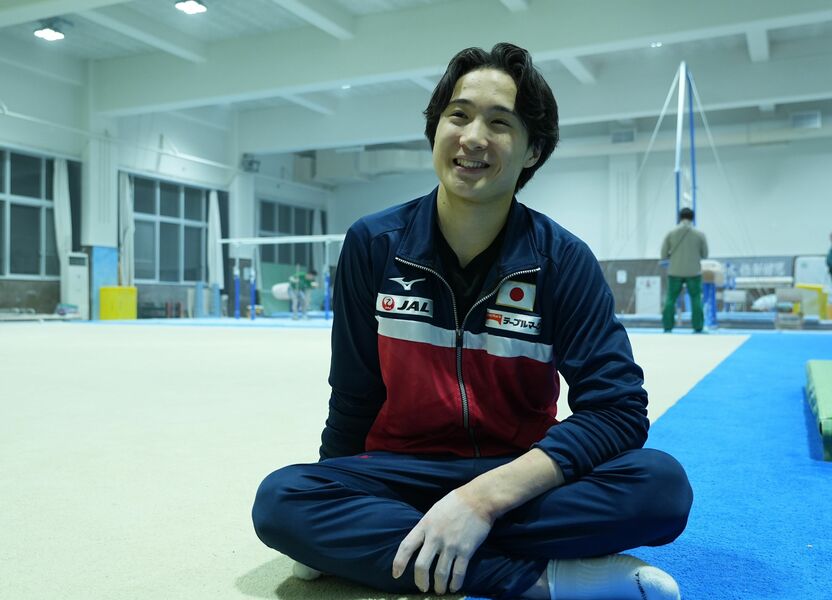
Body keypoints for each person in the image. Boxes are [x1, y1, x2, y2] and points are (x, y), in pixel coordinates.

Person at [253, 43, 692, 600]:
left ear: (533, 151)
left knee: (659, 488)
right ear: (435, 129)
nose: (473, 137)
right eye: (458, 115)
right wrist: (330, 495)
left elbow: (617, 410)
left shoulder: (562, 261)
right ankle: (539, 580)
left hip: (517, 476)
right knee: (282, 500)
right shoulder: (374, 244)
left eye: (499, 123)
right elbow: (354, 393)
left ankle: (405, 543)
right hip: (401, 471)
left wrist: (480, 501)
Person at [660, 207, 709, 333]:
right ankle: (698, 327)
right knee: (696, 299)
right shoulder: (700, 234)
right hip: (694, 272)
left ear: (679, 217)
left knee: (670, 299)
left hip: (674, 271)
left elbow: (663, 255)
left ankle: (667, 327)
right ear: (693, 218)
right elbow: (705, 254)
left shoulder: (671, 233)